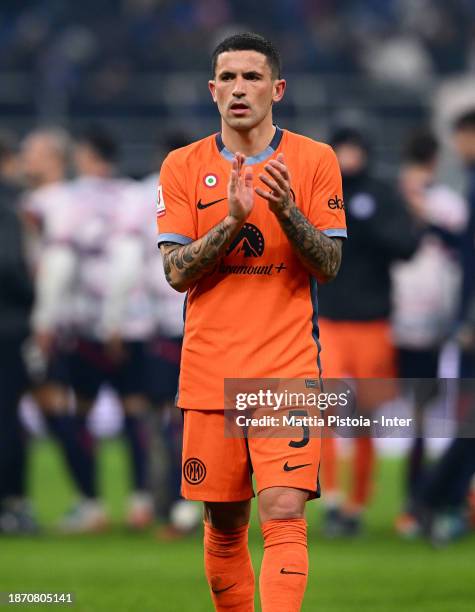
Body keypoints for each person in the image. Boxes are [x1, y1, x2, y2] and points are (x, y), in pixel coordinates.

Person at [157, 33, 346, 612]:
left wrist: (286, 210)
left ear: (277, 89)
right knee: (225, 521)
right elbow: (176, 272)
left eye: (253, 77)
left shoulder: (315, 161)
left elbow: (329, 264)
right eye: (229, 78)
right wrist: (234, 222)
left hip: (285, 369)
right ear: (212, 92)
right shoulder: (182, 165)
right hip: (210, 371)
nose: (240, 88)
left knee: (284, 511)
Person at [31, 126, 155, 531]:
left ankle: (93, 505)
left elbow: (61, 263)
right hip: (133, 322)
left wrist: (46, 321)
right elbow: (134, 258)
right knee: (135, 408)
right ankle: (141, 503)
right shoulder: (135, 195)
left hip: (84, 323)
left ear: (85, 156)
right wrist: (120, 318)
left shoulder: (65, 199)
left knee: (81, 410)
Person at [317, 127, 419, 536]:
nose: (348, 157)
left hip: (374, 323)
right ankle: (333, 498)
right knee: (324, 410)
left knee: (364, 419)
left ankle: (357, 505)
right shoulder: (318, 193)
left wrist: (366, 220)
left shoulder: (381, 195)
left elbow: (407, 247)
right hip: (329, 320)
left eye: (353, 149)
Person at [392, 128, 467, 537]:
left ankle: (420, 502)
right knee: (421, 414)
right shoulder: (445, 202)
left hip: (414, 319)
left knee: (419, 413)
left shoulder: (438, 204)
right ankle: (419, 502)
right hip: (421, 318)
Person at [0, 133, 36, 533]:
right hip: (7, 328)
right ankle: (11, 504)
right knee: (7, 417)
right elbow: (9, 265)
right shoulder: (8, 207)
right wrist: (33, 297)